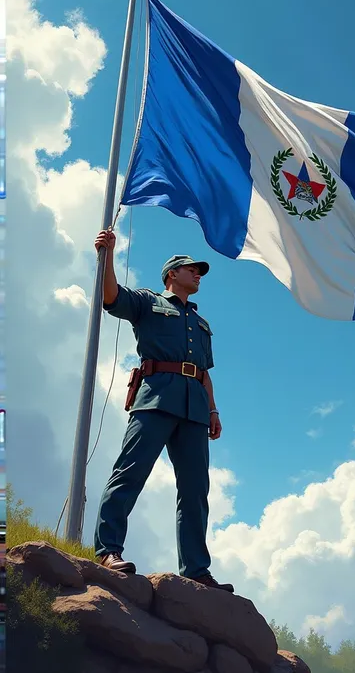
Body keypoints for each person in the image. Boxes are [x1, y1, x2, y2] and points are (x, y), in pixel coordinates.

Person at [93, 229, 234, 593]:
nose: (197, 274)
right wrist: (107, 255)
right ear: (172, 274)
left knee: (195, 489)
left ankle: (196, 570)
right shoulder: (148, 301)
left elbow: (204, 373)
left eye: (199, 271)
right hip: (156, 397)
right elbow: (111, 297)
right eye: (191, 269)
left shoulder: (202, 323)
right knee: (131, 471)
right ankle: (108, 549)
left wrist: (214, 411)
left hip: (195, 409)